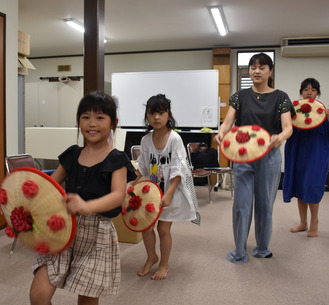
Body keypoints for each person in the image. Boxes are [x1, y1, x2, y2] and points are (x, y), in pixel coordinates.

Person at [29, 91, 136, 305]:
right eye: (85, 117)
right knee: (38, 295)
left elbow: (117, 196)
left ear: (113, 122)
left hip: (97, 235)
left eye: (99, 117)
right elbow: (50, 186)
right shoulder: (72, 154)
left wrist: (86, 206)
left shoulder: (117, 159)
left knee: (86, 300)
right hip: (62, 228)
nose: (91, 123)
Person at [214, 53, 293, 263]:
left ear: (270, 71)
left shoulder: (281, 97)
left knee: (265, 203)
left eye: (261, 67)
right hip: (242, 154)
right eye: (252, 67)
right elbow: (228, 122)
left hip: (270, 154)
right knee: (241, 203)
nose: (256, 71)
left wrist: (280, 137)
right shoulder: (239, 96)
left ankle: (262, 248)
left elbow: (288, 128)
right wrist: (221, 133)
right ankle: (239, 251)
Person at [129, 94, 200, 280]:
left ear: (169, 114)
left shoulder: (174, 139)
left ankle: (164, 264)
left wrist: (168, 194)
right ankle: (151, 256)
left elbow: (179, 171)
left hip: (171, 192)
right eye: (152, 113)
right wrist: (131, 183)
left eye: (161, 113)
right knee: (146, 226)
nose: (156, 118)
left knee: (163, 229)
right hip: (152, 192)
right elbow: (142, 167)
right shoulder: (145, 140)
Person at [283, 78, 329, 237]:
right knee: (299, 185)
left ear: (317, 93)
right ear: (301, 91)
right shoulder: (293, 110)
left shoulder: (323, 112)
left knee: (312, 185)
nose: (309, 92)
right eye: (306, 89)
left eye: (313, 89)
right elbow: (285, 128)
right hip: (297, 152)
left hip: (316, 153)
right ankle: (303, 223)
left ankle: (314, 223)